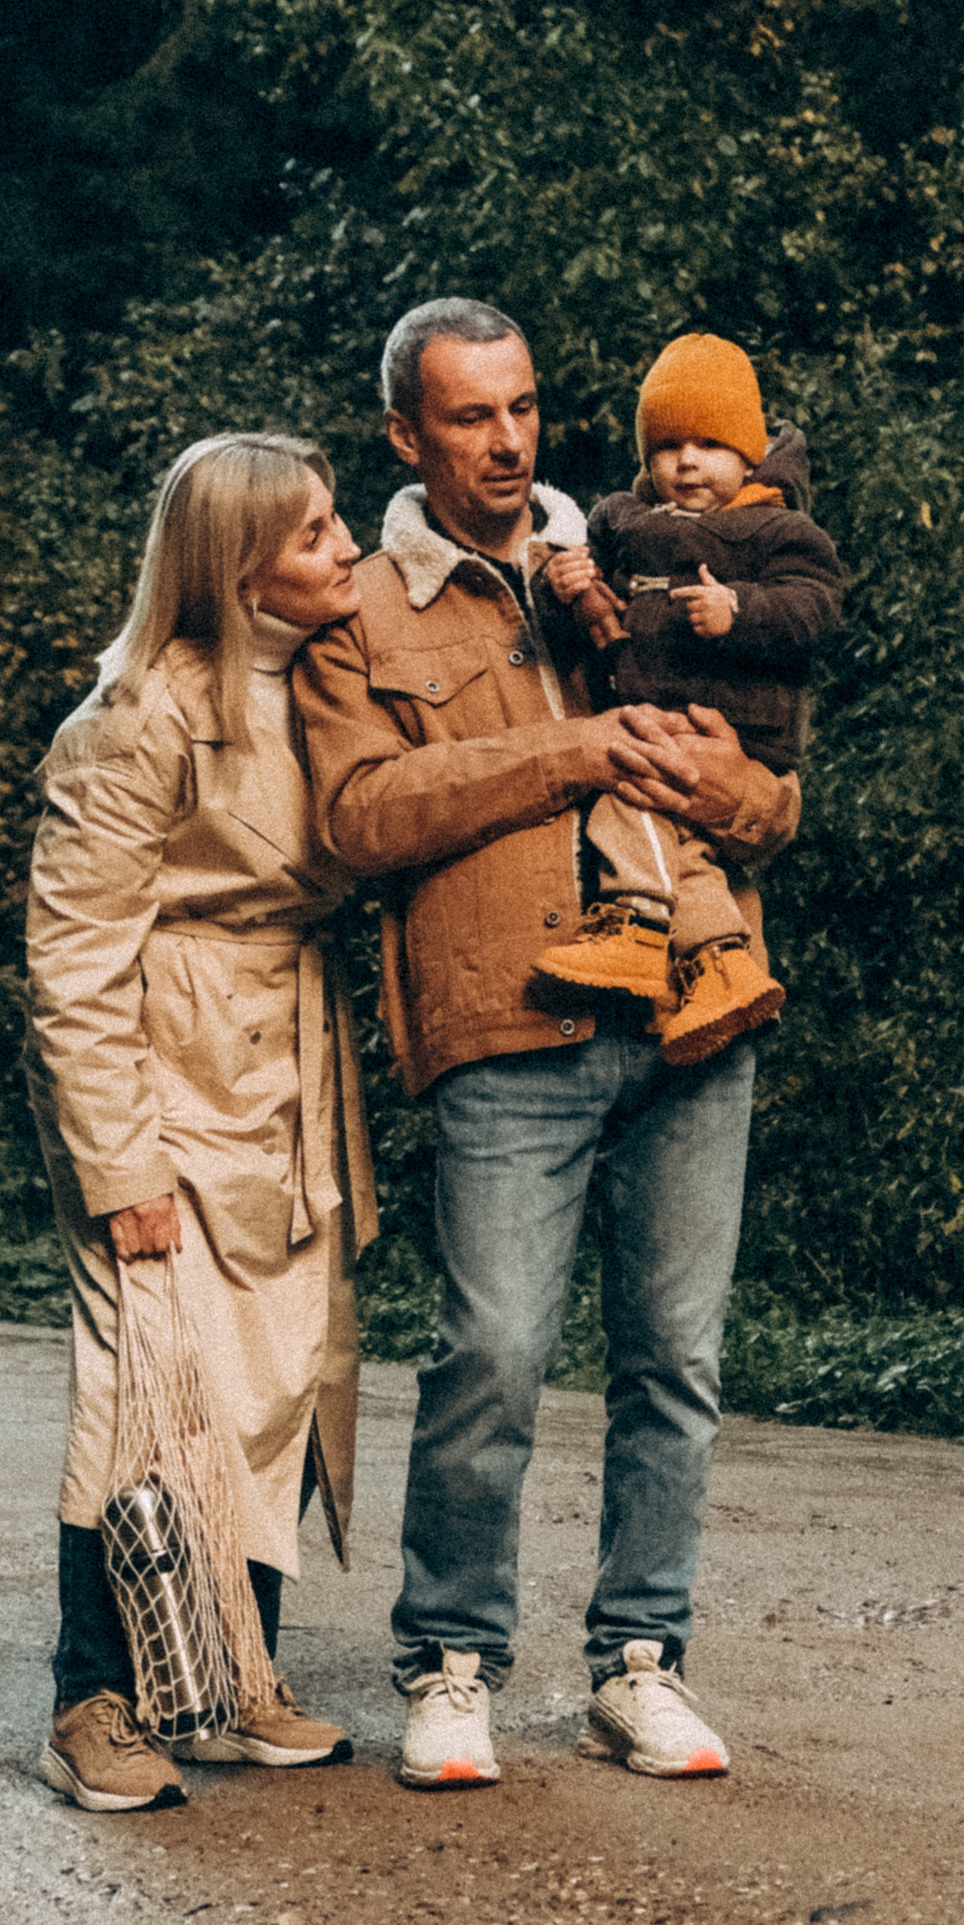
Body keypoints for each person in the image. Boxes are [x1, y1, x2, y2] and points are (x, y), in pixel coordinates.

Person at [295, 297, 803, 1796]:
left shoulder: (646, 551)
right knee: (496, 1353)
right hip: (506, 1015)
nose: (508, 439)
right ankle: (450, 1668)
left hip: (699, 1012)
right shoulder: (363, 608)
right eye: (470, 415)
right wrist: (574, 749)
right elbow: (358, 817)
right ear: (408, 434)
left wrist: (737, 792)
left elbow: (777, 790)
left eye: (522, 408)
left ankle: (638, 1666)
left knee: (676, 1361)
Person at [25, 434, 378, 1812]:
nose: (344, 548)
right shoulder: (139, 714)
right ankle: (91, 1701)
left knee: (274, 1379)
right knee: (143, 1393)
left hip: (282, 1073)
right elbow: (72, 959)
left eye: (338, 522)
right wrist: (120, 1162)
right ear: (237, 568)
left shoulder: (324, 686)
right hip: (160, 1079)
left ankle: (231, 1682)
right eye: (312, 534)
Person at [533, 329, 844, 1069]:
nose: (687, 461)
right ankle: (720, 965)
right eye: (668, 445)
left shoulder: (777, 527)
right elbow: (582, 623)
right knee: (681, 843)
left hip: (733, 727)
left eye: (709, 442)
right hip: (649, 710)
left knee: (627, 805)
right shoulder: (623, 522)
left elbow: (816, 607)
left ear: (747, 452)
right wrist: (567, 589)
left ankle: (635, 927)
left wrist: (739, 610)